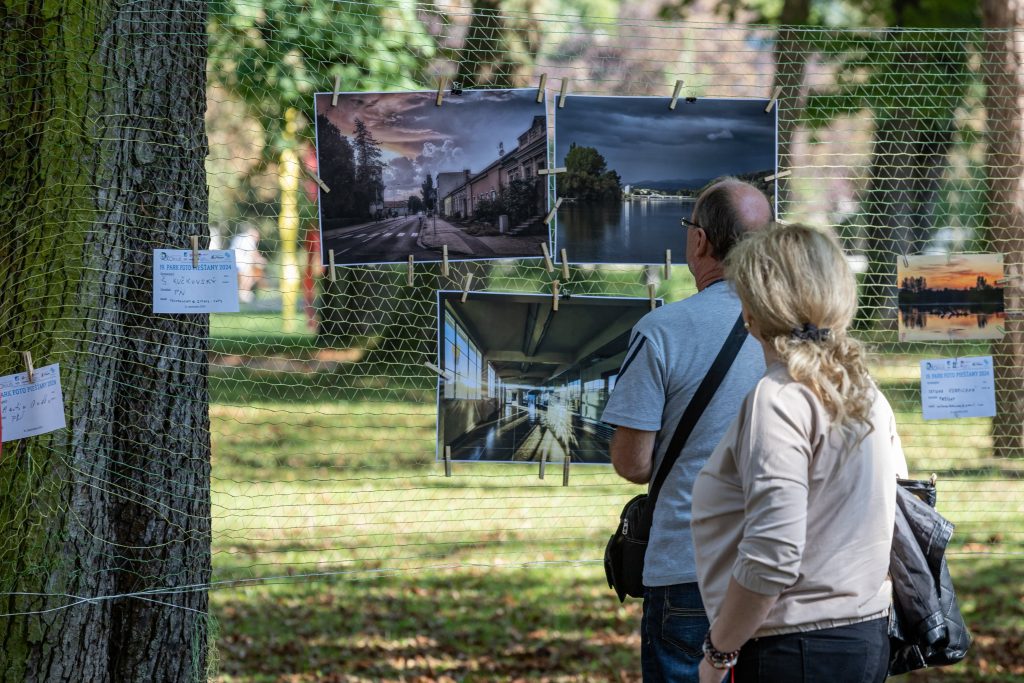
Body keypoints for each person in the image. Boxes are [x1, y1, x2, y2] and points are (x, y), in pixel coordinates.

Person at [691, 223, 909, 683]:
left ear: (753, 310)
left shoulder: (780, 398)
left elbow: (773, 552)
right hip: (863, 635)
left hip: (795, 649)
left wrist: (718, 653)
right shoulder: (864, 391)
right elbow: (894, 509)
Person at [602, 178, 773, 682]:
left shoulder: (662, 331)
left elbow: (632, 465)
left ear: (699, 241)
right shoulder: (798, 327)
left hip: (688, 568)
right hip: (782, 565)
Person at [229, 224, 267, 303]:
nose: (257, 240)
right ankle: (244, 293)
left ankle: (243, 293)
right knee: (248, 274)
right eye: (257, 237)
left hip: (231, 260)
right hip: (239, 262)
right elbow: (253, 253)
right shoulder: (248, 238)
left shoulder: (240, 237)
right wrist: (261, 260)